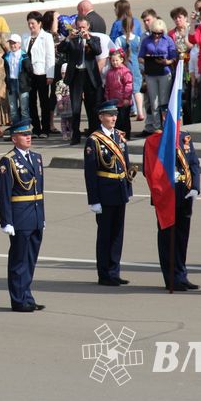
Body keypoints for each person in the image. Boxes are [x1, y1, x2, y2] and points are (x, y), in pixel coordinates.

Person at [142, 105, 201, 290]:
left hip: (184, 193)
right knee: (168, 237)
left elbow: (194, 164)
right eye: (172, 115)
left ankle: (181, 274)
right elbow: (148, 169)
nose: (177, 119)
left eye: (179, 115)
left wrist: (195, 187)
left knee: (182, 236)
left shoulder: (185, 138)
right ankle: (171, 278)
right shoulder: (154, 140)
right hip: (166, 194)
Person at [0, 120, 46, 312]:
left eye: (29, 134)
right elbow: (4, 194)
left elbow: (39, 190)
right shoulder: (7, 161)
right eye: (24, 134)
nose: (28, 137)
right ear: (14, 138)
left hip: (35, 215)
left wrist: (42, 216)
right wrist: (6, 221)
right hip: (20, 217)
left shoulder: (36, 158)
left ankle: (27, 296)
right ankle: (18, 299)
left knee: (31, 259)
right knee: (19, 259)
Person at [84, 101, 133, 286]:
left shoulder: (119, 137)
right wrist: (93, 200)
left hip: (120, 191)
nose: (113, 118)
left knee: (117, 234)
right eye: (109, 115)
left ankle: (114, 270)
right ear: (100, 117)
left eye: (115, 115)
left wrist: (128, 189)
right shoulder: (94, 140)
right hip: (104, 194)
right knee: (105, 235)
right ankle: (104, 274)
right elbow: (90, 173)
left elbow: (126, 165)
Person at [60, 16, 103, 145]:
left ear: (88, 27)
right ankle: (75, 135)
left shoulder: (94, 39)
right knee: (75, 108)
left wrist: (88, 39)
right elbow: (60, 49)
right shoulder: (72, 39)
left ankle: (93, 133)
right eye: (79, 27)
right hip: (76, 75)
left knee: (92, 107)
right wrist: (68, 38)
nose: (81, 30)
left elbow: (97, 51)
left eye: (83, 27)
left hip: (89, 75)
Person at [138, 18, 177, 136]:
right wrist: (148, 61)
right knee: (153, 102)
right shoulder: (146, 40)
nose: (156, 36)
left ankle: (165, 126)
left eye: (159, 33)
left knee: (164, 101)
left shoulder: (168, 40)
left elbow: (174, 56)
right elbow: (140, 57)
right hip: (151, 73)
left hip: (164, 72)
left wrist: (167, 62)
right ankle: (156, 128)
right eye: (154, 33)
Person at [104, 48, 133, 138]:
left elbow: (128, 85)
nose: (115, 62)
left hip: (123, 101)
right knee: (115, 119)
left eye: (117, 60)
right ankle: (117, 135)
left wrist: (126, 98)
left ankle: (126, 135)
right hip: (113, 101)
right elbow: (107, 87)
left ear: (121, 60)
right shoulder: (109, 73)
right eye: (113, 61)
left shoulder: (125, 72)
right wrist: (107, 99)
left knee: (124, 119)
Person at [3, 33, 31, 126]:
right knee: (13, 109)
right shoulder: (7, 56)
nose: (12, 45)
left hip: (22, 84)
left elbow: (29, 70)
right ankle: (15, 129)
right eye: (10, 43)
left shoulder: (24, 56)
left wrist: (27, 82)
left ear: (19, 44)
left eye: (14, 43)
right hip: (11, 83)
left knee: (24, 108)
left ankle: (25, 127)